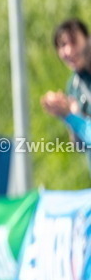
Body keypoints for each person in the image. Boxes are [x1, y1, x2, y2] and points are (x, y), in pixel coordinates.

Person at [41, 19, 91, 171]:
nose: (68, 51)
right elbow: (80, 144)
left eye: (74, 42)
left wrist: (71, 115)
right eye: (62, 45)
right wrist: (66, 115)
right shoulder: (74, 86)